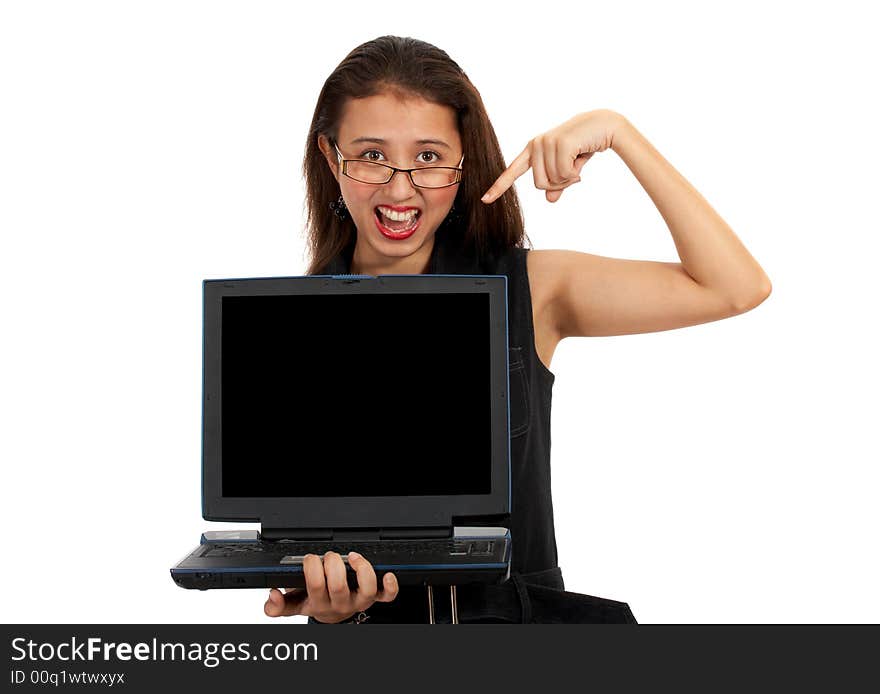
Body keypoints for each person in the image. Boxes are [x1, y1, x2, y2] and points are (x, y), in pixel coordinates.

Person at [263, 35, 771, 624]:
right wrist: (330, 609)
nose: (400, 189)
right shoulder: (292, 325)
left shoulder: (532, 289)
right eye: (372, 155)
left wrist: (617, 132)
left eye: (428, 157)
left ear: (462, 166)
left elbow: (735, 286)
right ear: (331, 158)